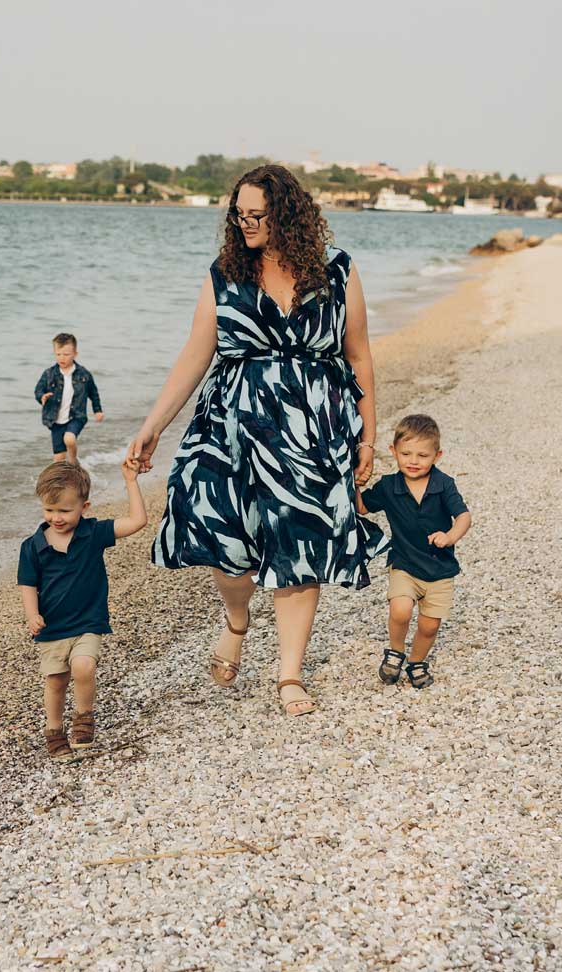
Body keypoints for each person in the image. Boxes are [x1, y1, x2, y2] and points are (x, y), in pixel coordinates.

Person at [126, 163, 386, 717]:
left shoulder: (336, 272)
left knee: (302, 544)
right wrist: (153, 426)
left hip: (311, 430)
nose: (245, 224)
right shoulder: (226, 272)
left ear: (286, 215)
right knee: (222, 536)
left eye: (257, 216)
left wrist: (367, 438)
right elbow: (196, 354)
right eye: (239, 215)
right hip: (230, 427)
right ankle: (237, 618)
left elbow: (358, 355)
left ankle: (288, 673)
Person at [17, 459, 147, 759]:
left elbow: (138, 521)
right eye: (49, 510)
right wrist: (31, 614)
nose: (57, 518)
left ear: (84, 507)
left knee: (84, 666)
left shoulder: (93, 534)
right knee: (56, 681)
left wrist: (130, 481)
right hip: (53, 628)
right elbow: (27, 584)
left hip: (88, 621)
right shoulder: (32, 546)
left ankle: (84, 718)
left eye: (65, 510)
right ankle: (54, 729)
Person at [356, 414, 472, 689]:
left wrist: (450, 535)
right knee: (400, 609)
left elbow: (464, 516)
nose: (413, 461)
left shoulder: (443, 485)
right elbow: (361, 507)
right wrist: (354, 483)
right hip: (404, 563)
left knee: (429, 626)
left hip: (440, 568)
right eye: (406, 453)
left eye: (422, 455)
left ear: (437, 455)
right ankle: (395, 651)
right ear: (393, 451)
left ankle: (417, 660)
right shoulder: (388, 486)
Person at [34, 333, 104, 464]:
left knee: (69, 439)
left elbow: (93, 393)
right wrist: (42, 397)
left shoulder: (84, 374)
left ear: (75, 354)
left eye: (66, 355)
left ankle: (73, 458)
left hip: (76, 416)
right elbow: (38, 389)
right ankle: (62, 480)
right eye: (58, 354)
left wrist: (97, 410)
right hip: (55, 420)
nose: (62, 358)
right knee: (58, 460)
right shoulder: (49, 374)